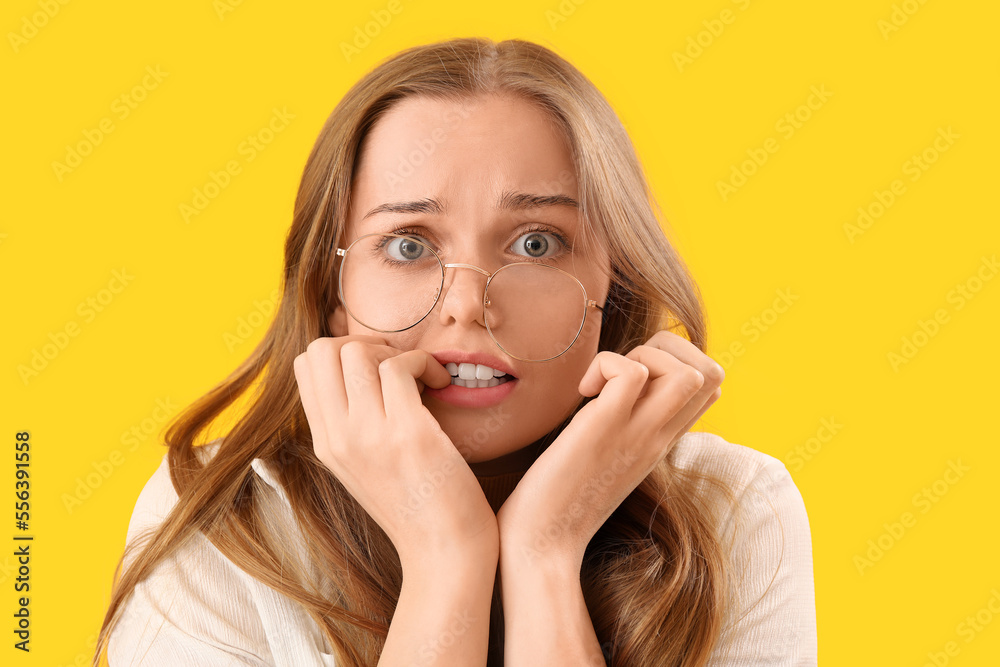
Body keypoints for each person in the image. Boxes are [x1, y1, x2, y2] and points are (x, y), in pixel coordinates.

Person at [95, 37, 817, 666]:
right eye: (408, 245)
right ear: (331, 289)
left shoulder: (732, 509)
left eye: (536, 242)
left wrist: (544, 549)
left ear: (614, 283)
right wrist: (447, 558)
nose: (467, 304)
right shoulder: (226, 514)